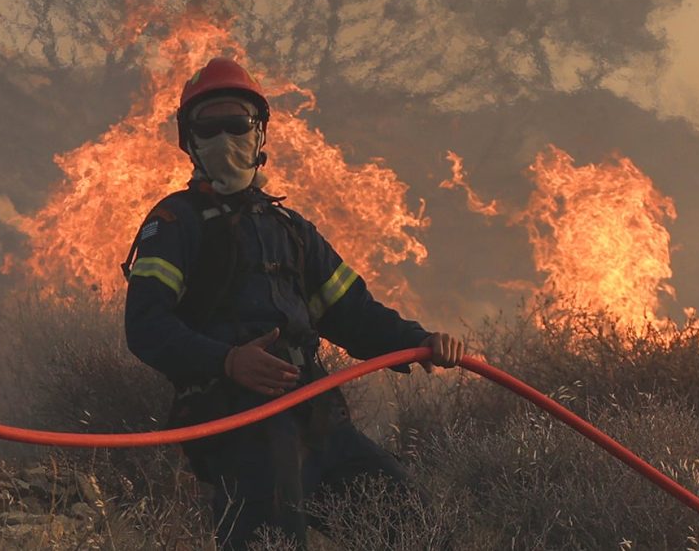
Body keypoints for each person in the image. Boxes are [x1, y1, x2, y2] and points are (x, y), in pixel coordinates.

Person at [123, 57, 464, 550]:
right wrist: (226, 361)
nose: (224, 138)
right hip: (242, 430)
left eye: (237, 123)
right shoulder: (176, 224)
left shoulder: (291, 230)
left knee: (413, 527)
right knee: (273, 542)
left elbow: (353, 314)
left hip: (317, 419)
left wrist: (420, 339)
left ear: (259, 133)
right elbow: (146, 325)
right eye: (209, 127)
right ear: (189, 140)